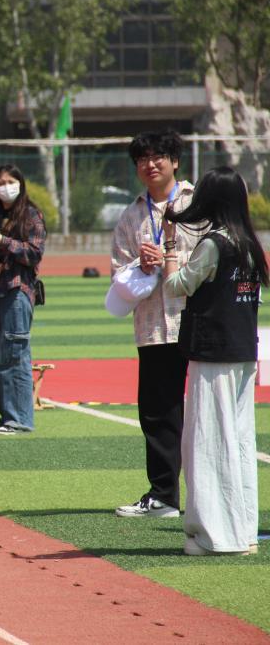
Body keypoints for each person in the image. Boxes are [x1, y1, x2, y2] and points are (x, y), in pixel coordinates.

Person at [161, 167, 264, 556]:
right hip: (243, 351)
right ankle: (243, 531)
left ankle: (213, 536)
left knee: (206, 441)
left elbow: (176, 287)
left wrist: (170, 250)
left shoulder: (214, 244)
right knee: (238, 440)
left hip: (213, 352)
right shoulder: (250, 245)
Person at [111, 129, 197, 518]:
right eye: (142, 159)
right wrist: (141, 265)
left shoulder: (197, 204)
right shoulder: (131, 215)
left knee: (204, 410)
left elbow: (216, 255)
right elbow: (118, 272)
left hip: (195, 321)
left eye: (158, 156)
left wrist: (171, 259)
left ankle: (207, 496)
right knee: (158, 412)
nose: (150, 164)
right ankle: (163, 496)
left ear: (174, 161)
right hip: (153, 327)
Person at [0, 165, 46, 434]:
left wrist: (2, 240)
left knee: (14, 356)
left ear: (21, 183)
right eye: (0, 183)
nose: (5, 187)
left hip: (17, 291)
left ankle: (19, 420)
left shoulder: (30, 215)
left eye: (10, 181)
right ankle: (7, 417)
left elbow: (35, 253)